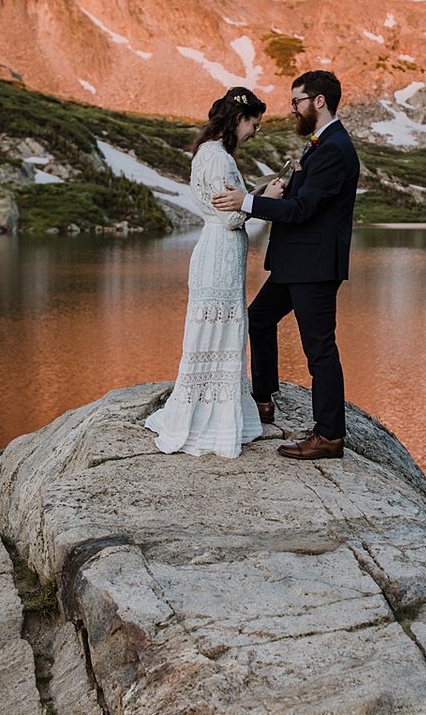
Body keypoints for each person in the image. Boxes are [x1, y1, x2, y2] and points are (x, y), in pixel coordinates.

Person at [212, 69, 360, 460]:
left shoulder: (333, 148)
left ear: (319, 101)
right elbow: (304, 198)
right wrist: (274, 188)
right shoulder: (320, 144)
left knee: (320, 350)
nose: (293, 108)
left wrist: (246, 203)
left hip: (314, 267)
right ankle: (263, 399)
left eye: (297, 101)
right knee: (258, 319)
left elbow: (303, 210)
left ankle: (329, 436)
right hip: (297, 263)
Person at [146, 87, 284, 458]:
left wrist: (254, 193)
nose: (255, 131)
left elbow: (224, 206)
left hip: (211, 249)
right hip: (222, 250)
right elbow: (232, 216)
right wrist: (267, 197)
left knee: (210, 330)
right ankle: (211, 419)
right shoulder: (220, 159)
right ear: (239, 119)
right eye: (254, 123)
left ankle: (207, 406)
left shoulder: (204, 153)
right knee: (223, 329)